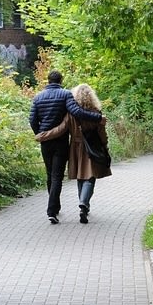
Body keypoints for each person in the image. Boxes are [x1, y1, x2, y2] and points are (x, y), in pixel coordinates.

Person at [29, 71, 104, 224]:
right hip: (60, 141)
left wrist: (40, 133)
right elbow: (76, 111)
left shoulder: (38, 97)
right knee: (57, 176)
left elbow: (32, 119)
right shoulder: (65, 94)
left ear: (48, 80)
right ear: (61, 80)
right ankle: (52, 210)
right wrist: (98, 117)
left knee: (50, 174)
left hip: (45, 140)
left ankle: (54, 208)